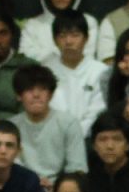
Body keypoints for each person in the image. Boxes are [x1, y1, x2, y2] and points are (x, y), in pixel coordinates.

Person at [11, 64, 87, 183]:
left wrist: (56, 187)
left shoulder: (69, 123)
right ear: (18, 96)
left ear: (50, 95)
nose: (36, 95)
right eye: (30, 90)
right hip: (21, 188)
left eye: (42, 89)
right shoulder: (12, 126)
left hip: (60, 190)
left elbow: (77, 168)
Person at [46, 9, 109, 137]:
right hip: (53, 137)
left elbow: (96, 113)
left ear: (86, 38)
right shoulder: (46, 71)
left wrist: (75, 135)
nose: (68, 41)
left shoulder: (100, 71)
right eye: (62, 36)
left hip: (90, 139)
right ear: (54, 40)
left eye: (75, 35)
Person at [21, 0, 100, 65]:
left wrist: (47, 54)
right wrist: (66, 54)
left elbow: (87, 57)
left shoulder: (89, 22)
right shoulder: (32, 25)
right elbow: (26, 57)